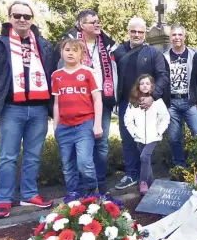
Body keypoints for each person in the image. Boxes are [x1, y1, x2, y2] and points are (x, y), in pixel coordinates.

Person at [0, 1, 55, 218]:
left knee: (33, 156)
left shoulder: (43, 44)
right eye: (17, 15)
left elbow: (49, 71)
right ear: (10, 17)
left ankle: (29, 194)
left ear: (32, 19)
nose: (22, 19)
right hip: (11, 108)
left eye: (27, 16)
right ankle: (4, 199)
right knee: (8, 156)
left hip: (39, 109)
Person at [54, 10, 117, 195]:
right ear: (82, 25)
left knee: (101, 143)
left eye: (99, 21)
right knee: (80, 151)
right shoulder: (72, 44)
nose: (98, 24)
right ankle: (81, 186)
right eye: (93, 22)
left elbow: (115, 70)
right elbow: (62, 73)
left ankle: (100, 183)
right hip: (79, 101)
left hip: (101, 99)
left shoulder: (108, 44)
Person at [113, 16, 169, 190]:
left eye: (140, 32)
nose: (136, 34)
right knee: (128, 139)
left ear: (145, 33)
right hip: (126, 103)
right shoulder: (118, 52)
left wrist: (153, 96)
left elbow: (163, 76)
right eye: (133, 31)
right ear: (128, 31)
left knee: (145, 141)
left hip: (147, 103)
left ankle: (145, 178)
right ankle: (131, 174)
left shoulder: (154, 53)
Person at [51, 39, 103, 199]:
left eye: (75, 50)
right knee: (67, 164)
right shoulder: (56, 76)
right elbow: (57, 103)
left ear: (81, 54)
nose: (71, 53)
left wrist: (98, 124)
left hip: (84, 124)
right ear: (61, 53)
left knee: (84, 162)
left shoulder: (88, 73)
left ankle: (91, 191)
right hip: (64, 126)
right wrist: (55, 125)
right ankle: (72, 192)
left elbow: (97, 100)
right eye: (67, 50)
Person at [163, 24, 197, 168]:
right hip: (172, 103)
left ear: (184, 36)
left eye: (179, 35)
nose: (177, 38)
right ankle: (179, 166)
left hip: (190, 102)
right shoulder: (164, 57)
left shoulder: (193, 56)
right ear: (170, 37)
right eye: (174, 35)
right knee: (174, 138)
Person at [124, 74, 170, 195]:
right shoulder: (133, 102)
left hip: (153, 136)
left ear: (152, 86)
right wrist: (134, 132)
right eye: (142, 83)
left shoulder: (157, 101)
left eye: (147, 83)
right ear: (138, 86)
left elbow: (165, 117)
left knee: (144, 157)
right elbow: (127, 120)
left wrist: (159, 131)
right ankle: (151, 183)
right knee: (146, 159)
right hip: (139, 136)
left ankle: (143, 181)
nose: (144, 86)